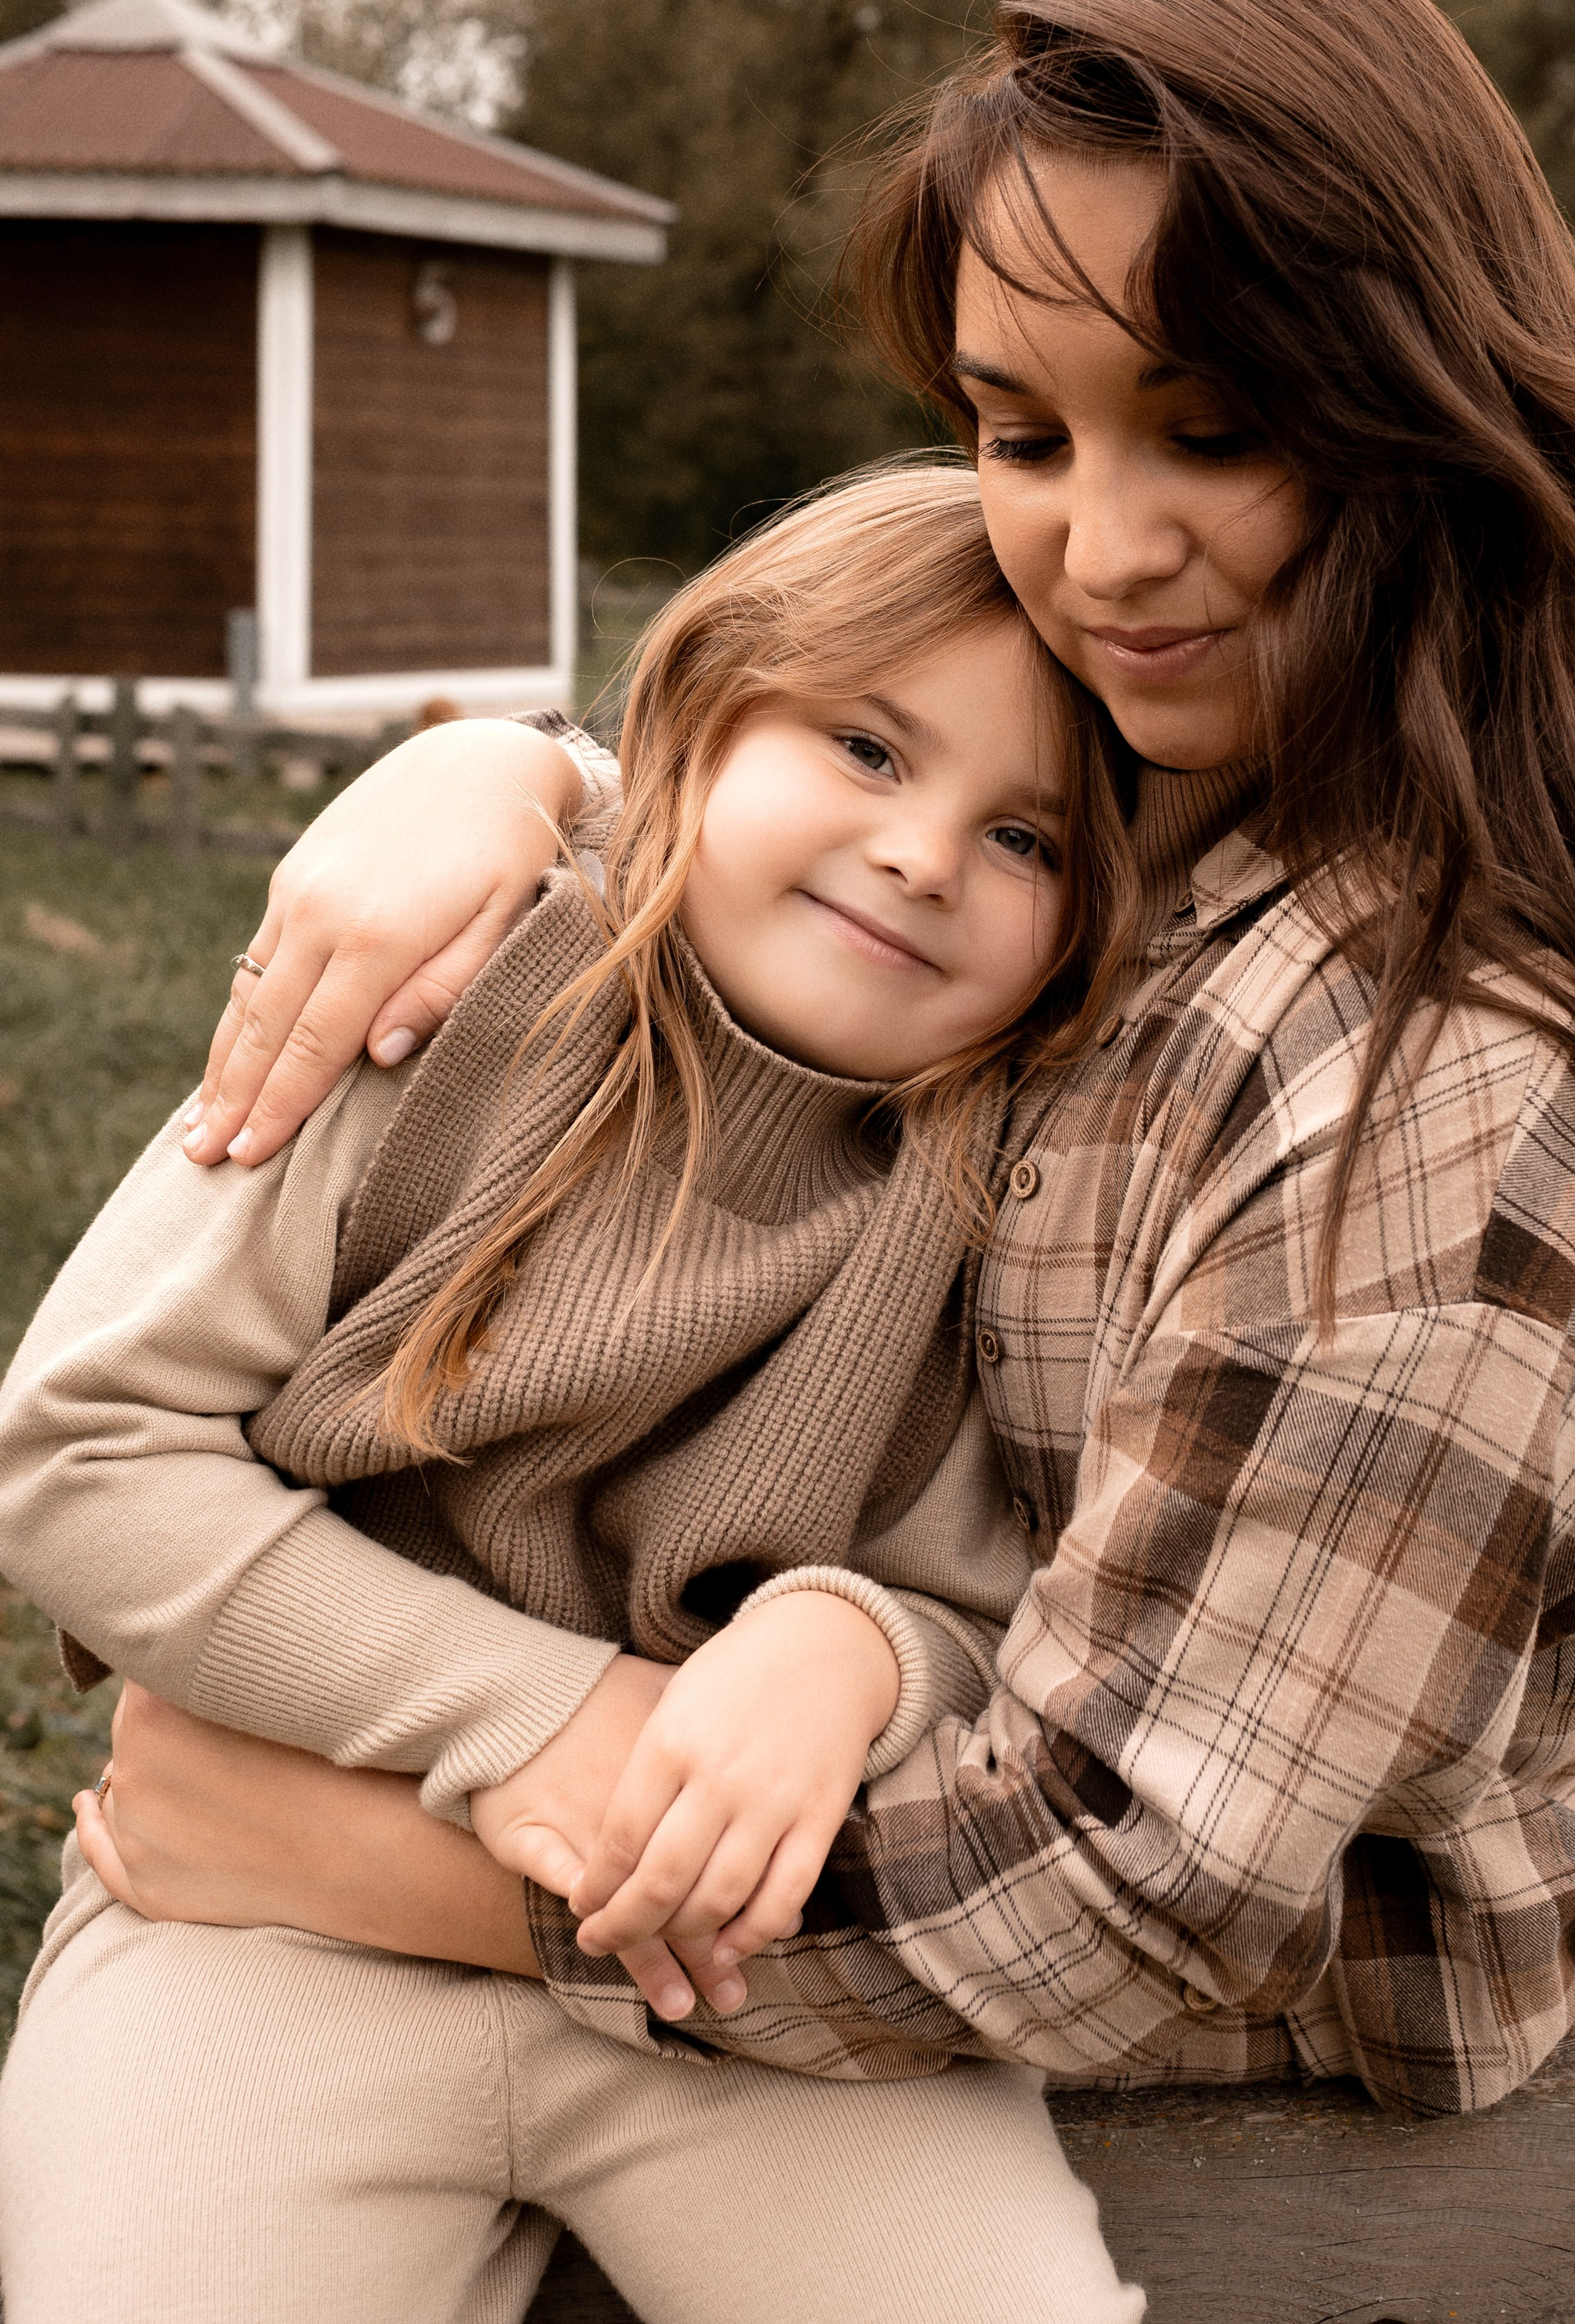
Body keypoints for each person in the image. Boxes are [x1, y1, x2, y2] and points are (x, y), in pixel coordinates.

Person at [5, 0, 1575, 2249]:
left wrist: (436, 1862)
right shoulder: (1230, 756)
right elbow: (844, 792)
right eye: (1021, 432)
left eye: (1216, 427)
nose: (1101, 548)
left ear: (1419, 394)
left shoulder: (1448, 1101)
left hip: (1202, 2004)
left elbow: (1125, 1891)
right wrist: (517, 775)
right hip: (736, 1881)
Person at [0, 466, 1151, 2324]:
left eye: (1027, 841)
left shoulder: (1007, 1189)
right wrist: (539, 1718)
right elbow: (78, 1452)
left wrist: (854, 1647)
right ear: (706, 707)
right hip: (260, 1902)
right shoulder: (435, 1000)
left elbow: (991, 1607)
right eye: (866, 746)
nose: (924, 853)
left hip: (724, 1984)